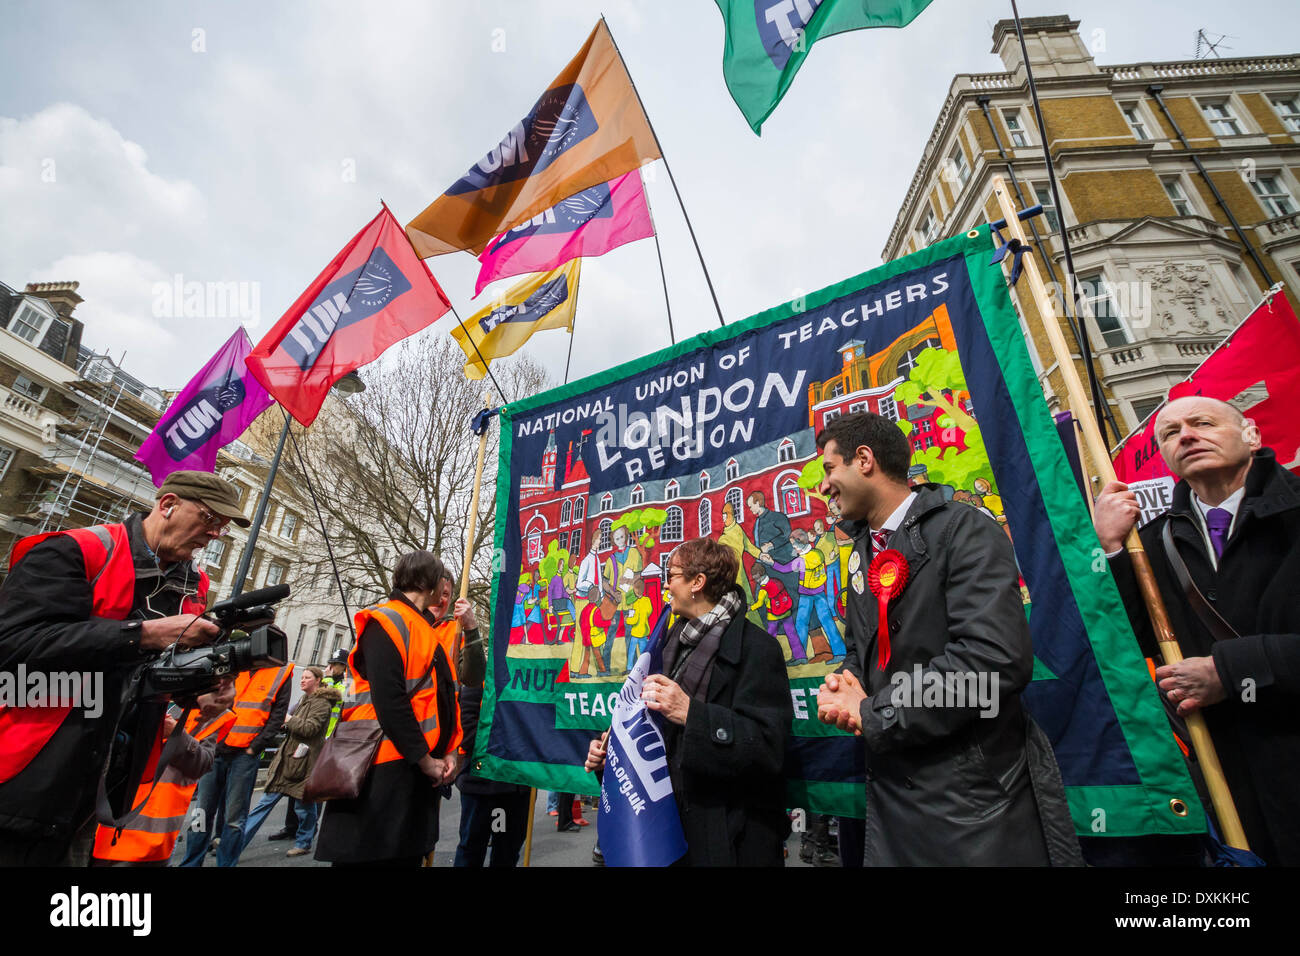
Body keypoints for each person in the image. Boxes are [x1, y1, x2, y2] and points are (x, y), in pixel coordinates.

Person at [813, 412, 1079, 866]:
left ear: (864, 460)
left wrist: (876, 711)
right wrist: (848, 682)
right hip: (897, 796)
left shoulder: (964, 529)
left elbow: (991, 664)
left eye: (828, 469)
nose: (823, 486)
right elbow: (864, 649)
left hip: (973, 805)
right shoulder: (859, 553)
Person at [1093, 396, 1300, 865]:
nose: (1185, 435)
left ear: (1251, 433)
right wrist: (1108, 550)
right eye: (1169, 433)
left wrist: (1229, 672)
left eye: (1202, 423)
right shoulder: (1149, 545)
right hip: (1231, 784)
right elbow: (1122, 643)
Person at [0, 470, 239, 866]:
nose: (214, 534)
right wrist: (142, 633)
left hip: (102, 784)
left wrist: (200, 691)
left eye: (223, 528)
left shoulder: (191, 587)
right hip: (24, 771)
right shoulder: (74, 551)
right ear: (167, 505)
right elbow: (12, 647)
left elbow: (143, 676)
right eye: (210, 519)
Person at [584, 536, 793, 866]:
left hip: (727, 840)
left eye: (672, 574)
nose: (666, 583)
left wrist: (692, 714)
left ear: (698, 582)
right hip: (664, 829)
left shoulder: (758, 649)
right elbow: (656, 734)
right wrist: (615, 754)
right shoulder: (666, 642)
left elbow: (770, 748)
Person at [315, 551, 467, 867]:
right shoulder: (386, 621)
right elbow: (391, 701)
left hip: (411, 774)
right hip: (380, 770)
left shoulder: (425, 628)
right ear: (434, 584)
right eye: (444, 582)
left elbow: (445, 699)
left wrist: (450, 752)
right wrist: (425, 760)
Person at [90, 681, 236, 866]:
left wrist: (177, 736)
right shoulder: (138, 687)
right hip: (104, 820)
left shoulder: (211, 712)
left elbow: (202, 764)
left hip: (151, 835)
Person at [179, 658, 294, 866]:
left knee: (234, 819)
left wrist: (255, 747)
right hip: (216, 749)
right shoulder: (233, 663)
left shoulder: (281, 672)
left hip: (244, 754)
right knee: (201, 814)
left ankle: (226, 863)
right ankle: (191, 862)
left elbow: (277, 715)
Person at [238, 666, 341, 859]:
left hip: (304, 763)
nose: (302, 680)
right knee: (265, 804)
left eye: (307, 677)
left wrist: (288, 719)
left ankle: (304, 842)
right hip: (289, 761)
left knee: (304, 807)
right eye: (302, 677)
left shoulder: (322, 704)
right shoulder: (305, 700)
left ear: (317, 680)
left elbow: (310, 729)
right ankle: (235, 845)